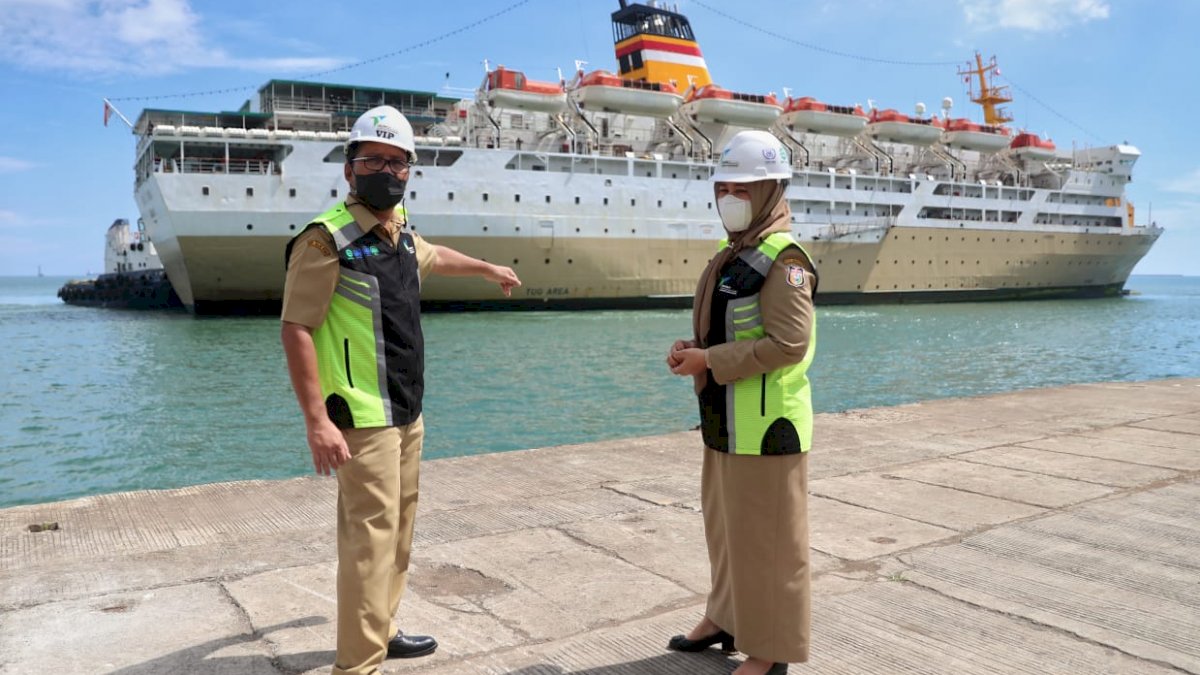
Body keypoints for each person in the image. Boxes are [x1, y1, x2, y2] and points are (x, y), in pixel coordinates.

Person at [280, 105, 520, 675]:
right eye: (373, 161)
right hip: (362, 416)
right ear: (349, 169)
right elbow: (296, 329)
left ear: (409, 170)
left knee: (399, 533)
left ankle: (382, 629)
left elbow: (435, 256)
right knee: (369, 542)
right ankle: (357, 666)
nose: (386, 171)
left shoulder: (398, 233)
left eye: (397, 162)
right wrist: (317, 422)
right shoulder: (326, 241)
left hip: (407, 412)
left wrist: (487, 268)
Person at [666, 130, 818, 675]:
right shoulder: (734, 254)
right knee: (727, 532)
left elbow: (790, 344)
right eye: (723, 187)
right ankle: (724, 617)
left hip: (767, 427)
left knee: (770, 544)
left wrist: (710, 361)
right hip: (725, 423)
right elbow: (730, 328)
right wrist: (693, 349)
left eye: (742, 188)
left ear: (771, 190)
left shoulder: (784, 260)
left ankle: (771, 650)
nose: (729, 197)